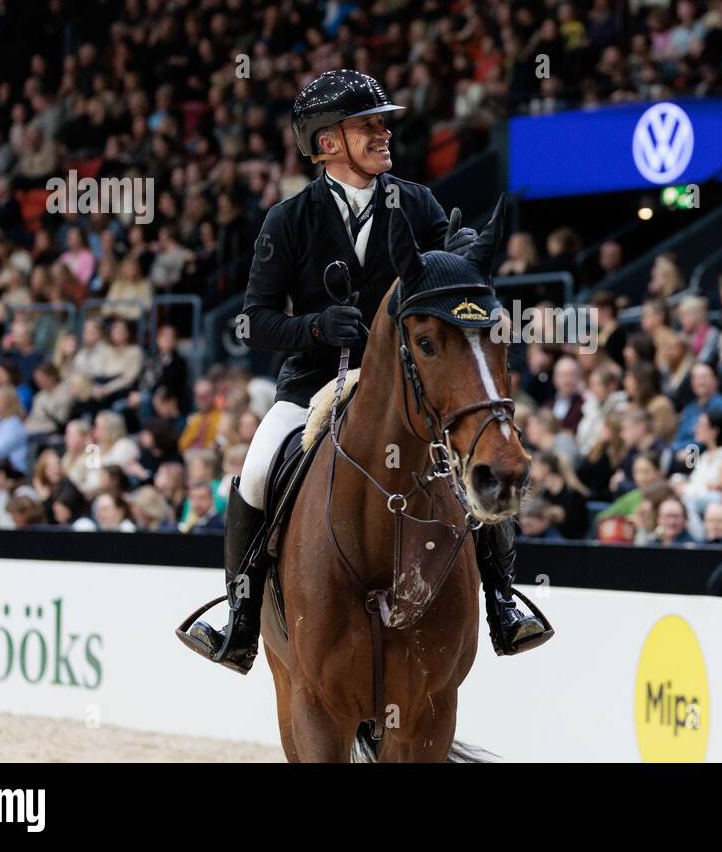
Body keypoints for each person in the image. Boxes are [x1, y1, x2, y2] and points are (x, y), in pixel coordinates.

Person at [181, 70, 548, 673]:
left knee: (462, 464)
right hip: (314, 381)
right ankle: (240, 618)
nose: (383, 134)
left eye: (383, 123)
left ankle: (502, 601)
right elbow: (256, 320)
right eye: (367, 125)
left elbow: (447, 288)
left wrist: (459, 256)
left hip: (402, 384)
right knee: (255, 467)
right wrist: (317, 329)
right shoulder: (288, 219)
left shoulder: (418, 201)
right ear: (327, 142)